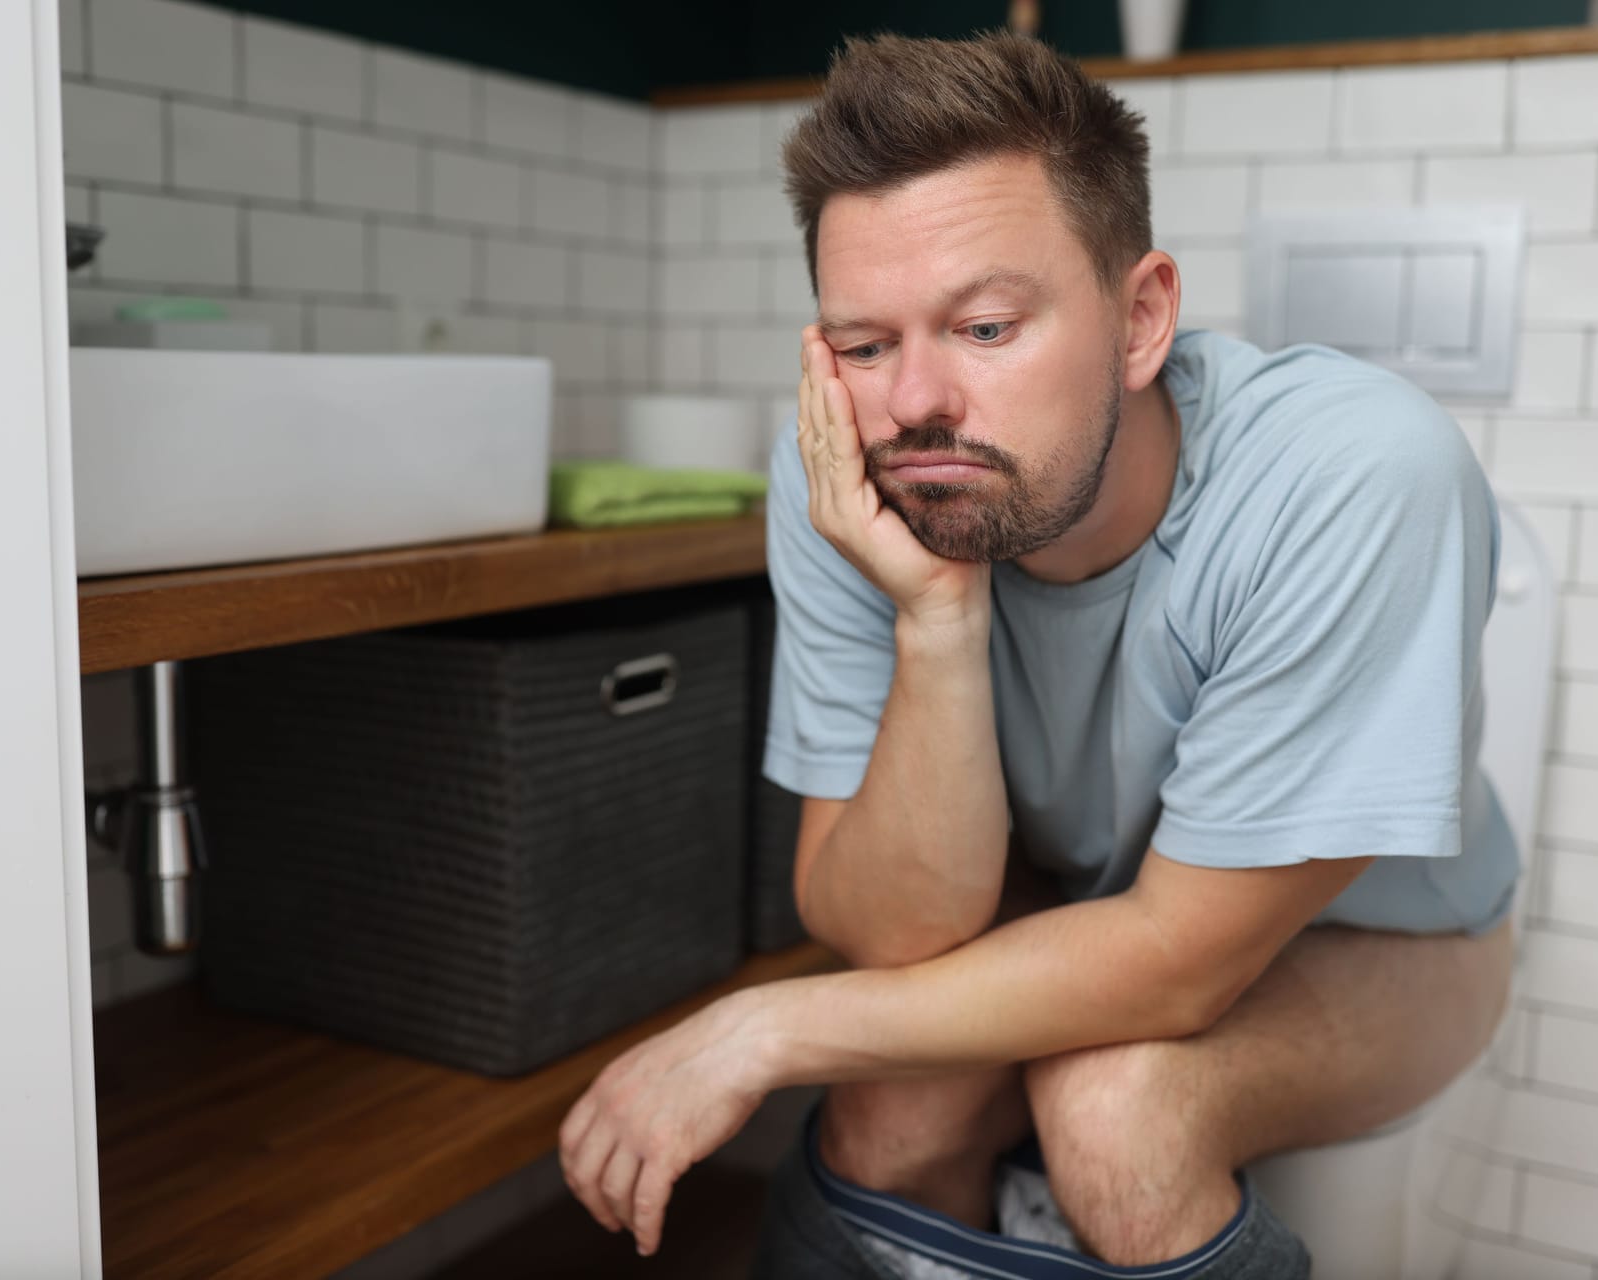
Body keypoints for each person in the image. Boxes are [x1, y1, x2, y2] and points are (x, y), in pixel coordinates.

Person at [558, 29, 1518, 1280]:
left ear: (1140, 318)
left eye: (988, 327)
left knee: (1116, 1106)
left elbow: (1176, 962)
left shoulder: (1352, 477)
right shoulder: (852, 475)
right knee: (893, 1108)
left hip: (1379, 937)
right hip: (1063, 901)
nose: (914, 404)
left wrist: (759, 1029)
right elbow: (881, 925)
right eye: (861, 345)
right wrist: (937, 617)